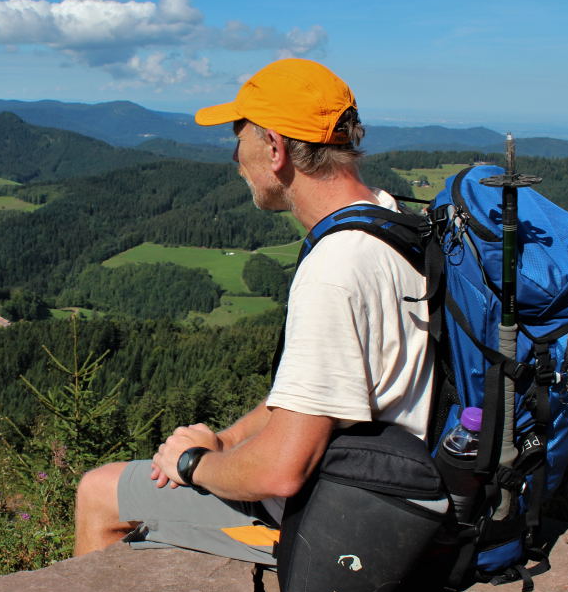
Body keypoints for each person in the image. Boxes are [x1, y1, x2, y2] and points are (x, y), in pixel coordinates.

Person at [73, 58, 434, 563]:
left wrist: (193, 462)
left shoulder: (335, 269)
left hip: (348, 515)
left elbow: (280, 472)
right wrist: (225, 441)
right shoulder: (391, 220)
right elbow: (315, 398)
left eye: (237, 138)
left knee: (99, 491)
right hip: (402, 485)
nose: (234, 157)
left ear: (275, 148)